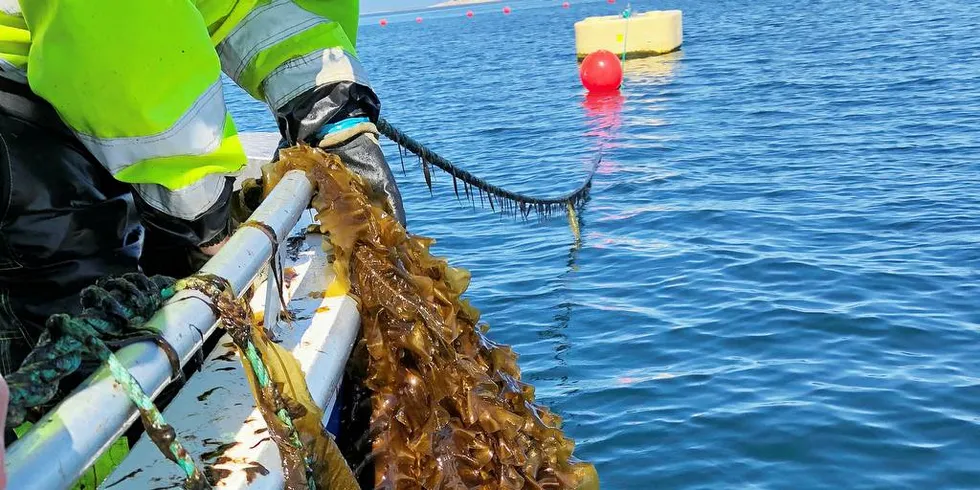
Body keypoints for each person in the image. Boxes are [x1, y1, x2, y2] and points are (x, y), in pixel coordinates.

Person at [0, 0, 404, 375]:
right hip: (20, 122)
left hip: (74, 95)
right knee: (83, 361)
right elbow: (124, 49)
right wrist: (204, 221)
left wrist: (331, 109)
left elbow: (236, 6)